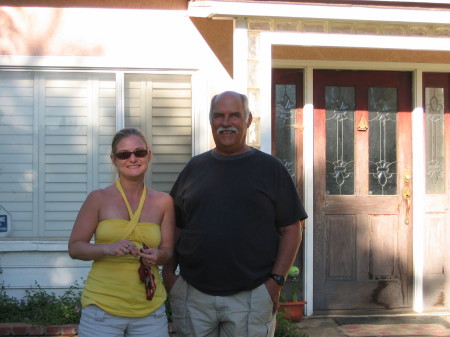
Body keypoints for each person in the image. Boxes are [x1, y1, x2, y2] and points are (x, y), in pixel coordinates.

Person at [162, 91, 308, 337]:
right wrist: (168, 274)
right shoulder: (194, 168)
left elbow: (291, 230)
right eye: (219, 116)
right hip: (194, 297)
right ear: (211, 121)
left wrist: (275, 283)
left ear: (248, 119)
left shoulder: (270, 169)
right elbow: (176, 226)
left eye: (234, 116)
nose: (226, 122)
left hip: (251, 297)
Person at [68, 127, 175, 337]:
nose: (132, 158)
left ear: (149, 155)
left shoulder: (164, 201)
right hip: (102, 310)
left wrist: (158, 255)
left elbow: (168, 251)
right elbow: (75, 247)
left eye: (139, 152)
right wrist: (108, 248)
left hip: (150, 311)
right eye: (124, 154)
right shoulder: (98, 198)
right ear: (114, 159)